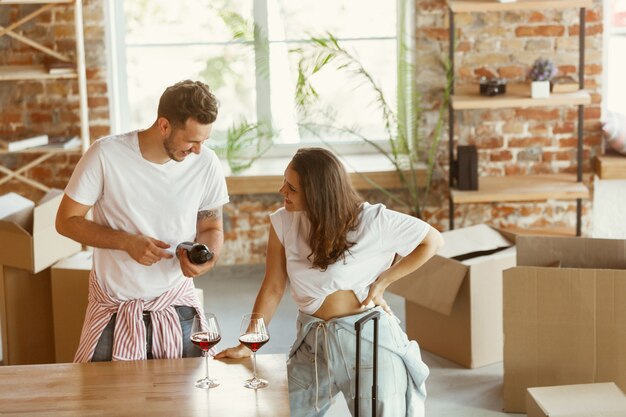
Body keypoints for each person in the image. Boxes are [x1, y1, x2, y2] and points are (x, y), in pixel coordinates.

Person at [217, 147, 443, 417]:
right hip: (313, 343)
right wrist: (247, 343)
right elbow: (273, 285)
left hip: (367, 343)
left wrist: (383, 282)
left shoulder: (372, 220)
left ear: (318, 194)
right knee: (282, 411)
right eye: (284, 182)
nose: (281, 191)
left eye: (291, 188)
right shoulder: (283, 222)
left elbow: (432, 240)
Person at [56, 80, 229, 362]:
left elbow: (211, 227)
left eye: (203, 141)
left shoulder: (206, 163)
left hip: (176, 306)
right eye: (192, 141)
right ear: (164, 125)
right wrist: (125, 242)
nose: (197, 150)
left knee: (186, 402)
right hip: (114, 310)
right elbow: (66, 220)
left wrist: (208, 259)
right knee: (102, 402)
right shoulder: (105, 155)